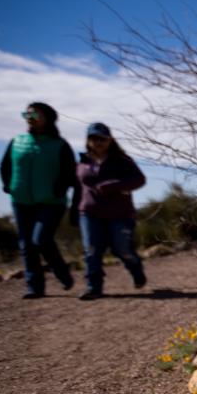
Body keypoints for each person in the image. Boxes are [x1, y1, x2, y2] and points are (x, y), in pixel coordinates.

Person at [0, 102, 78, 298]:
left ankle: (62, 273)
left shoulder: (60, 145)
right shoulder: (17, 141)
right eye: (27, 114)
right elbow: (5, 166)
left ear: (48, 119)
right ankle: (34, 287)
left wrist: (58, 191)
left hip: (51, 203)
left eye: (35, 114)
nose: (30, 118)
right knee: (26, 244)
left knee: (41, 240)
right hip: (21, 201)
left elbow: (70, 174)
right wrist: (9, 186)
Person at [71, 122, 148, 300]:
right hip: (89, 213)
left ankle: (136, 269)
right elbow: (78, 189)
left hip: (119, 213)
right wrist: (74, 212)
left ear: (110, 140)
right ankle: (93, 287)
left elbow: (139, 179)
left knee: (122, 248)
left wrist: (115, 186)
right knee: (91, 249)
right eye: (94, 138)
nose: (98, 142)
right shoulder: (82, 163)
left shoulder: (123, 161)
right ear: (87, 140)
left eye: (102, 138)